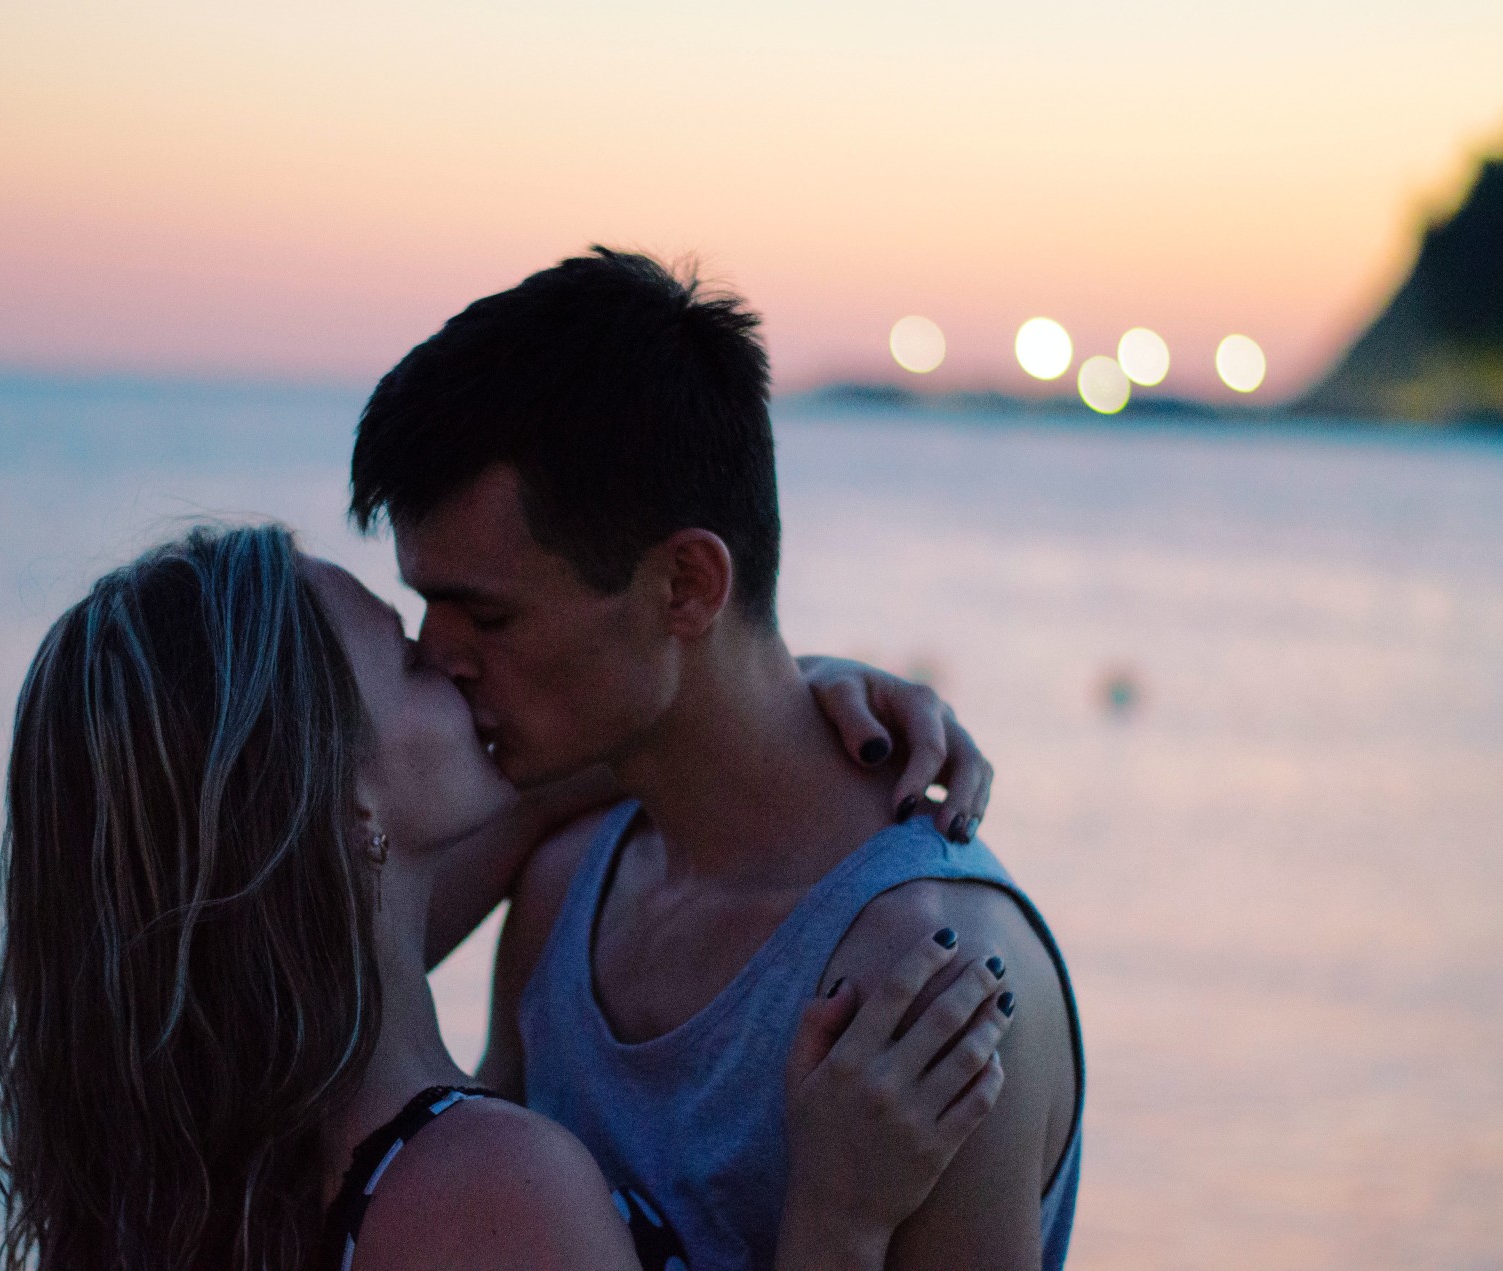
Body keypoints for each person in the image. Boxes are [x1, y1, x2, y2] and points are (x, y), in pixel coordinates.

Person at [0, 524, 1021, 1270]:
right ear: (345, 808)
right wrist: (837, 1217)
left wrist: (763, 705)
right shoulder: (485, 1194)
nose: (452, 660)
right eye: (406, 658)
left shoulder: (230, 1152)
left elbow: (553, 784)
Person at [349, 248, 1085, 1270]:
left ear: (687, 584)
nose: (436, 655)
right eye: (428, 604)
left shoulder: (926, 973)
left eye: (488, 613)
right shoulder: (566, 889)